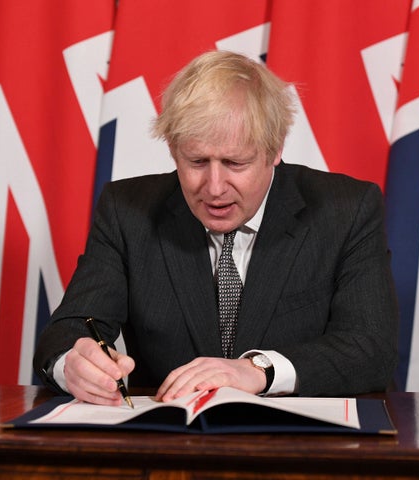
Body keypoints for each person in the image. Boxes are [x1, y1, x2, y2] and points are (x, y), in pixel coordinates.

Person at [33, 50, 399, 406]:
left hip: (302, 453)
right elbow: (70, 329)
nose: (214, 187)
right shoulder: (127, 210)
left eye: (235, 163)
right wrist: (74, 364)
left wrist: (257, 370)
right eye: (196, 161)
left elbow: (370, 348)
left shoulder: (346, 209)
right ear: (173, 150)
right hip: (171, 452)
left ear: (275, 149)